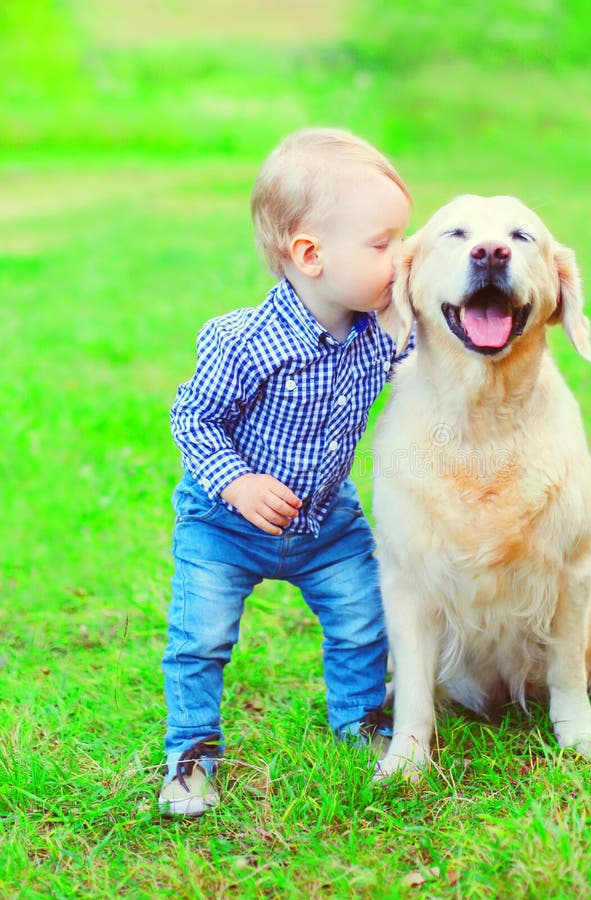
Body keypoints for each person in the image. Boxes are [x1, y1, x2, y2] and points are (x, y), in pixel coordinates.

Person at [158, 128, 412, 816]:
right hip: (226, 523)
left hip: (326, 521)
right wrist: (237, 482)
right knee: (201, 636)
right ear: (310, 254)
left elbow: (439, 355)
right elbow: (193, 417)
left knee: (364, 618)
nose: (403, 257)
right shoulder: (242, 339)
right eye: (384, 244)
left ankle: (361, 722)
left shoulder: (385, 329)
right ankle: (190, 756)